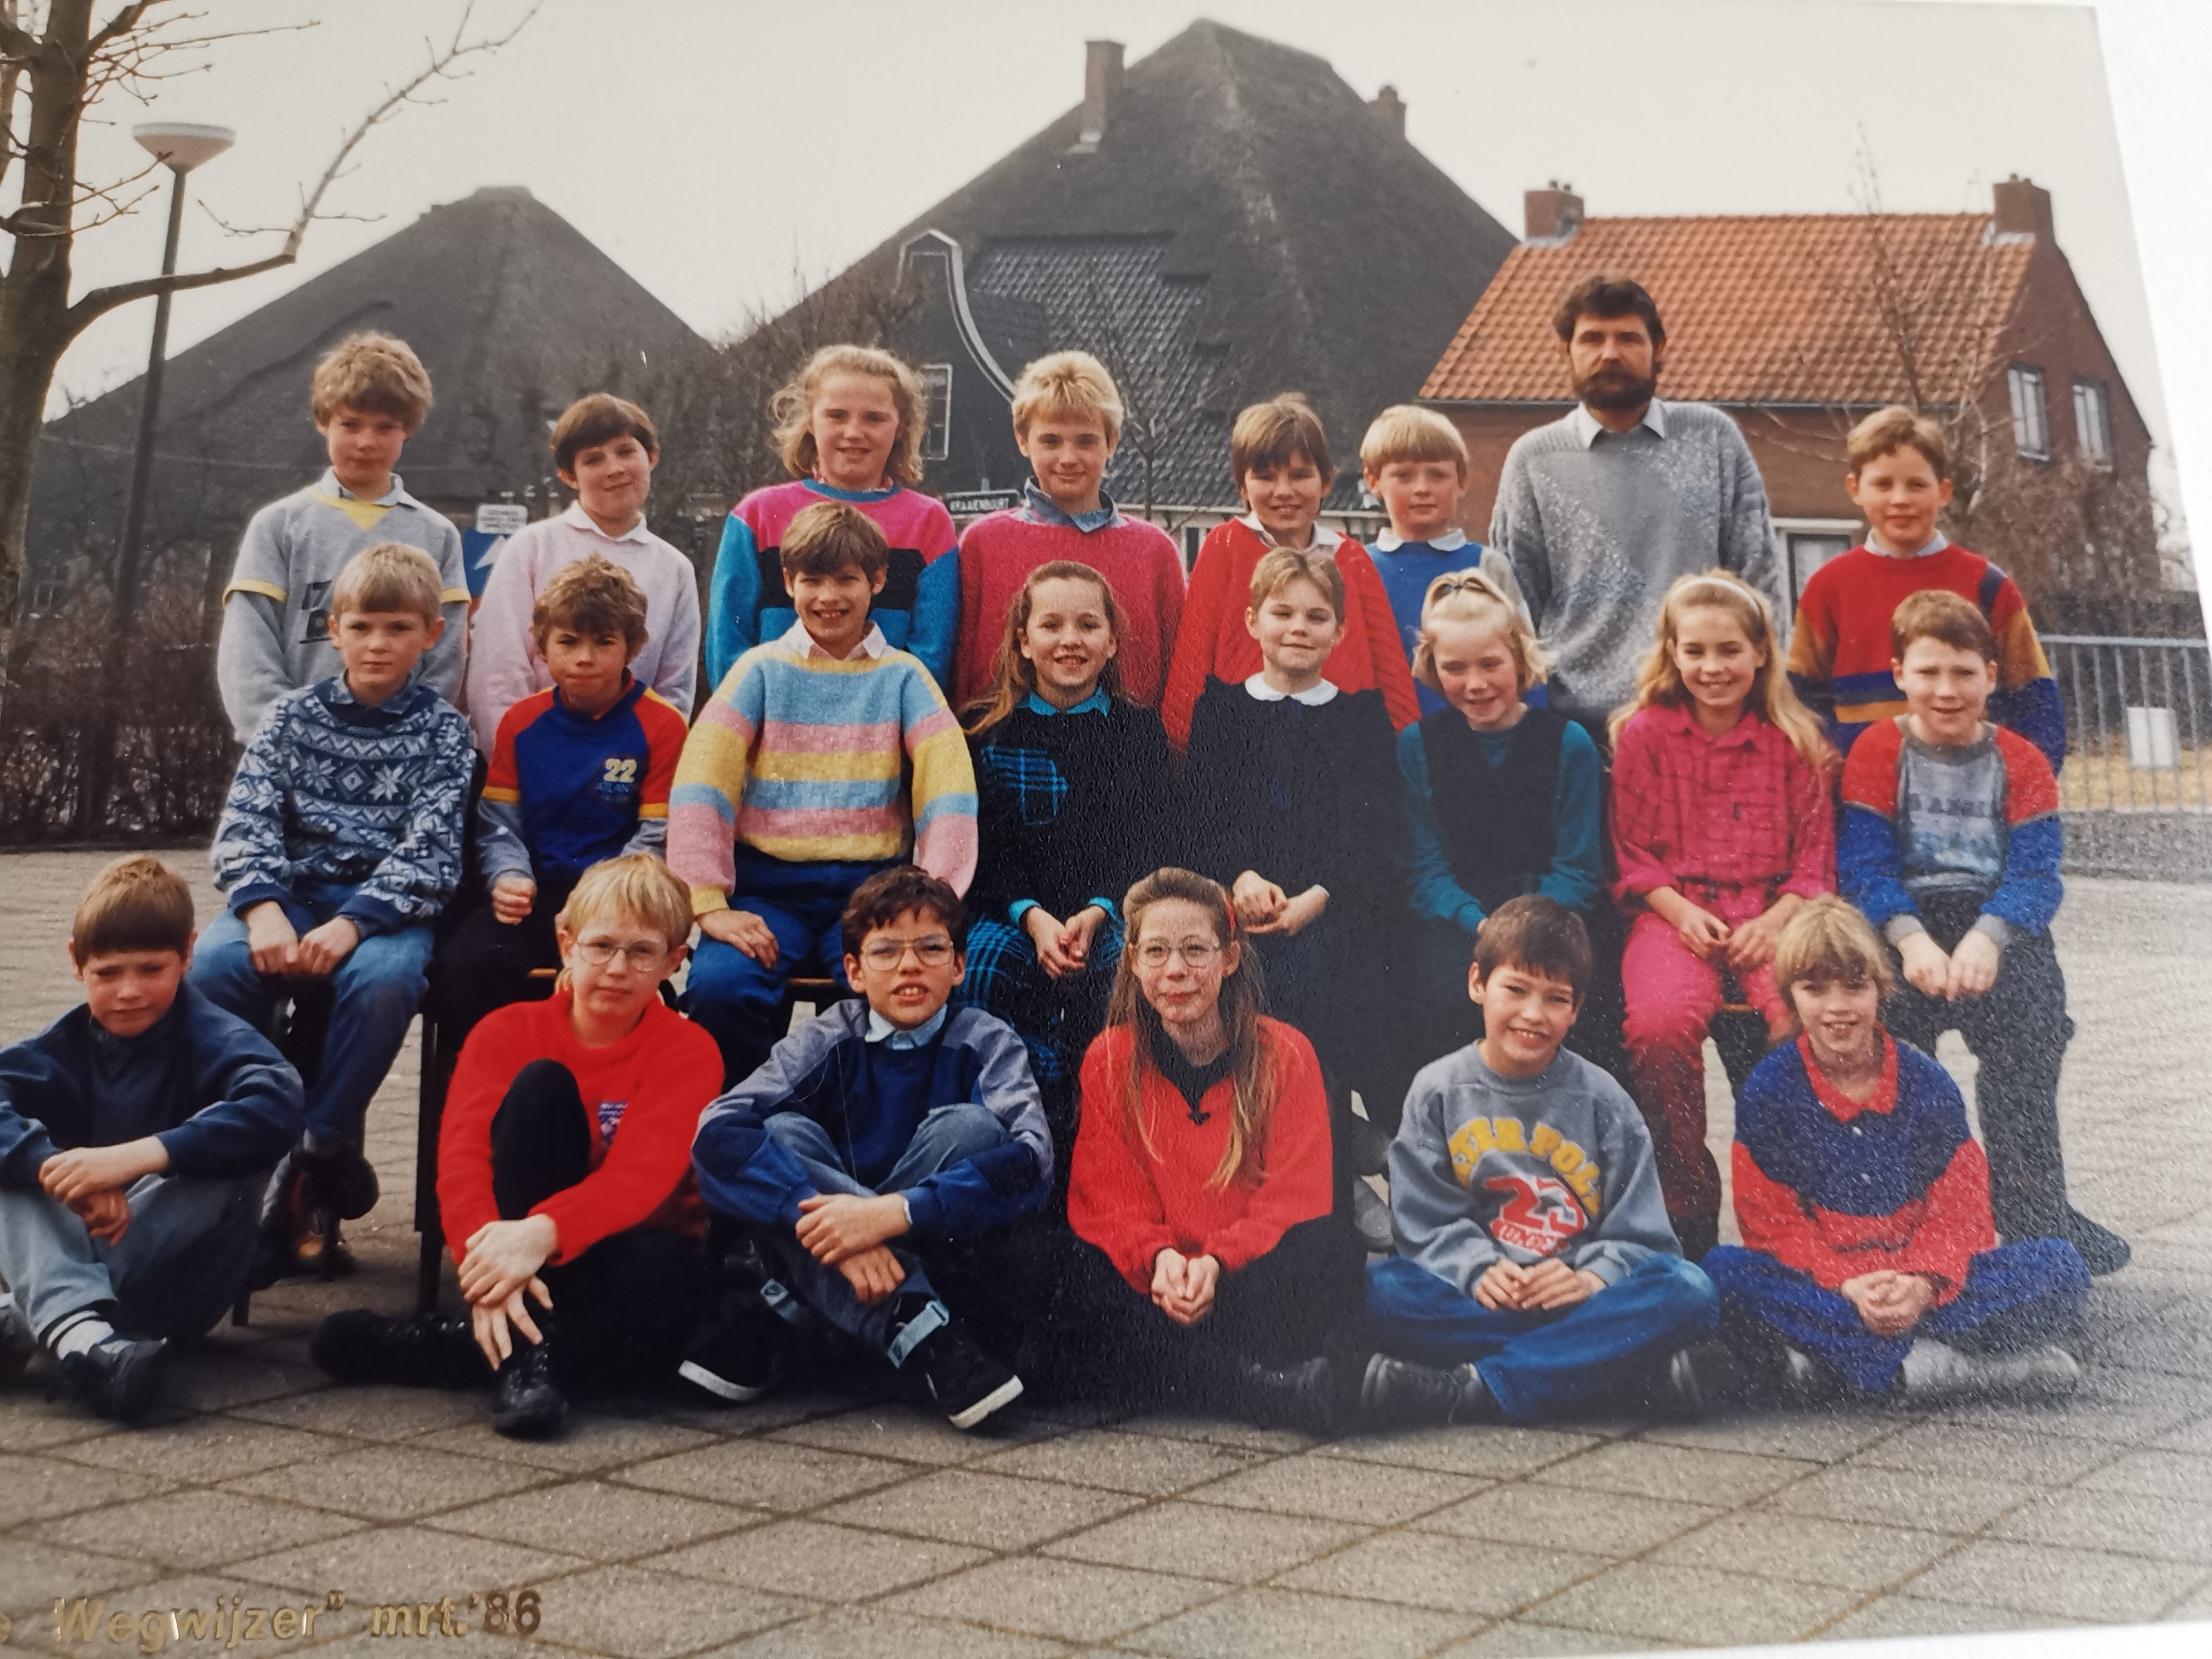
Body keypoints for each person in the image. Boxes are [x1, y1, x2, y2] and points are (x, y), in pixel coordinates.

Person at [310, 857, 723, 1439]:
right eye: (600, 946)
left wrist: (541, 1234)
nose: (616, 968)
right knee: (541, 1086)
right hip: (513, 1244)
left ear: (674, 960)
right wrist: (490, 1268)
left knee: (665, 1287)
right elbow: (461, 1163)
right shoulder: (505, 1032)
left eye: (641, 952)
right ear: (566, 943)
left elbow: (642, 1177)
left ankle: (452, 1346)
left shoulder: (689, 1049)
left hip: (625, 1253)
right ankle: (527, 1363)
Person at [193, 542, 473, 1277]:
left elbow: (433, 849)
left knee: (385, 982)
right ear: (335, 628)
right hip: (290, 897)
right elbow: (247, 822)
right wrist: (262, 911)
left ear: (429, 636)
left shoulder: (445, 733)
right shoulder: (290, 719)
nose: (378, 644)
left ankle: (322, 1141)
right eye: (363, 627)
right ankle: (244, 1130)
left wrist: (357, 922)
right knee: (216, 968)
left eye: (397, 629)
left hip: (379, 911)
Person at [687, 867, 1050, 1430]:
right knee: (782, 1133)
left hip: (939, 1238)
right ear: (853, 971)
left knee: (974, 1130)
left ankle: (792, 1301)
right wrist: (847, 1237)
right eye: (885, 951)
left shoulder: (986, 1041)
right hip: (853, 1235)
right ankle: (919, 1327)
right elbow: (717, 1131)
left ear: (958, 966)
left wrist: (890, 1215)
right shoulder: (828, 1036)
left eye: (931, 948)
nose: (909, 966)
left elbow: (1031, 1159)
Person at [1840, 590, 2128, 1273]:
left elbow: (2037, 874)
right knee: (1895, 1064)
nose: (1946, 691)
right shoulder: (1877, 749)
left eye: (1963, 674)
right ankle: (1915, 1221)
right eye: (1929, 672)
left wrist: (1988, 937)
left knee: (2029, 1044)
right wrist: (1910, 940)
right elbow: (1861, 867)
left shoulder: (2021, 760)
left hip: (1992, 917)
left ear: (1991, 678)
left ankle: (2032, 1216)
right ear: (1898, 674)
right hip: (1902, 918)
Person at [1702, 898, 2089, 1404]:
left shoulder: (1926, 1083)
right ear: (1790, 997)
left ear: (1882, 990)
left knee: (2061, 1267)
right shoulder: (1769, 1089)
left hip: (1921, 1276)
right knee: (1721, 1273)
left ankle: (1833, 1367)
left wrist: (1922, 1284)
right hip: (1831, 1283)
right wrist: (1850, 1285)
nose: (1837, 1007)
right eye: (1815, 989)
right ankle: (1946, 1369)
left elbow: (1963, 1214)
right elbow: (1772, 1227)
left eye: (1854, 986)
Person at [1360, 898, 1719, 1427]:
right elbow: (1423, 1223)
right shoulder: (1437, 1090)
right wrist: (1478, 1270)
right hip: (1484, 1296)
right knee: (1380, 1292)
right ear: (1478, 983)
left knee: (1691, 1290)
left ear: (1575, 1010)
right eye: (1516, 990)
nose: (1534, 1014)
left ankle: (1482, 1386)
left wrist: (1591, 1279)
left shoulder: (1605, 1101)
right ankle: (1599, 1369)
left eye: (1557, 999)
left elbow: (1644, 1237)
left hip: (1576, 1296)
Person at [1047, 867, 1369, 1432]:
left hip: (1241, 1281)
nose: (1175, 970)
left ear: (1230, 959)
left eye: (1195, 950)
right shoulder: (1109, 1057)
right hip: (1153, 1283)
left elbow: (1295, 1199)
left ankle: (1176, 1372)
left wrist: (1216, 1264)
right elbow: (1107, 1202)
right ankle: (1252, 1388)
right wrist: (1162, 1260)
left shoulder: (1285, 1053)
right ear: (1130, 961)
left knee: (1332, 1250)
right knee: (1059, 1268)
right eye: (1156, 951)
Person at [670, 502, 978, 1085]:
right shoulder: (759, 671)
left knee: (902, 995)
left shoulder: (904, 677)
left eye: (846, 579)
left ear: (877, 581)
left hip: (870, 895)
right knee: (717, 989)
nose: (827, 596)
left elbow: (948, 787)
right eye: (811, 580)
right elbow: (702, 784)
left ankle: (865, 1141)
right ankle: (748, 1132)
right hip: (768, 893)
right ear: (788, 582)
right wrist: (708, 904)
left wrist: (937, 893)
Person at [0, 858, 302, 1423]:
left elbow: (279, 1104)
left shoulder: (217, 1039)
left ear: (188, 955)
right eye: (108, 973)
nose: (130, 991)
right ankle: (85, 1343)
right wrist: (55, 1170)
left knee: (231, 1155)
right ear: (76, 962)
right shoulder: (60, 1048)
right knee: (16, 1156)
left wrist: (131, 1160)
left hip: (175, 1292)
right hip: (95, 1265)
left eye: (152, 969)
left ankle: (36, 1320)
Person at [1183, 548, 1407, 1247]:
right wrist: (1237, 881)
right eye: (1282, 613)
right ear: (1253, 620)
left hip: (1327, 909)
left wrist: (1317, 895)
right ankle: (1346, 1158)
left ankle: (1340, 1183)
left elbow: (1370, 830)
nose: (1298, 628)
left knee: (1328, 1000)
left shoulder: (1360, 718)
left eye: (1316, 617)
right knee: (1244, 1005)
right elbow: (1204, 816)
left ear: (1340, 632)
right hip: (1239, 912)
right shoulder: (1220, 709)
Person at [1611, 571, 1835, 1259]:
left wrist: (1776, 921)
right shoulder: (1642, 734)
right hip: (1677, 913)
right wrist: (1677, 912)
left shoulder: (1795, 742)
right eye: (1696, 651)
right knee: (1656, 1027)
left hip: (1774, 913)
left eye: (1729, 650)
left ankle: (1794, 1206)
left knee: (1802, 1023)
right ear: (1672, 654)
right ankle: (1685, 1205)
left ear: (1761, 652)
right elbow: (1630, 853)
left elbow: (1815, 864)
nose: (1713, 668)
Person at [1490, 276, 1784, 738]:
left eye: (1628, 338)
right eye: (1592, 339)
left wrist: (1763, 705)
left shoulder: (1714, 440)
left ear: (1659, 349)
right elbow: (1515, 604)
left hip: (1703, 720)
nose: (1610, 353)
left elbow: (1759, 582)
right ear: (1566, 351)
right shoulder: (1534, 460)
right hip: (1576, 728)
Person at [430, 557, 688, 1046]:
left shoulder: (663, 725)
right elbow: (498, 823)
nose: (585, 658)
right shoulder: (520, 723)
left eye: (604, 642)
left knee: (626, 985)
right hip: (538, 890)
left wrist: (603, 901)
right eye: (569, 642)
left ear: (632, 647)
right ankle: (481, 1099)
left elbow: (654, 837)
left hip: (620, 900)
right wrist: (509, 876)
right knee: (463, 966)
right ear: (543, 649)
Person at [958, 561, 1171, 1107]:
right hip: (1011, 910)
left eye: (1087, 625)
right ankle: (1003, 1124)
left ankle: (1101, 1124)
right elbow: (984, 847)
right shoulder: (983, 729)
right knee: (983, 969)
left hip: (1109, 911)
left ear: (1111, 642)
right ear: (1023, 642)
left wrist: (1099, 909)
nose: (1070, 641)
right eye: (1051, 626)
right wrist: (1030, 916)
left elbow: (1142, 841)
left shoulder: (1138, 732)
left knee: (1123, 978)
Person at [1399, 571, 1608, 1082]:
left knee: (1577, 1007)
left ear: (1518, 656)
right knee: (1441, 999)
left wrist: (1521, 927)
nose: (1476, 683)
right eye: (1455, 668)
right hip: (1460, 919)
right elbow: (1424, 867)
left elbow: (1579, 866)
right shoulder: (1417, 746)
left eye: (1491, 664)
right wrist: (1480, 923)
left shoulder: (1570, 742)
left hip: (1555, 911)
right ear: (1433, 668)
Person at [216, 332, 469, 743]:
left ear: (409, 429)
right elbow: (248, 650)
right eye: (350, 424)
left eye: (385, 427)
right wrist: (285, 734)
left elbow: (444, 658)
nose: (366, 442)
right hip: (291, 751)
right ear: (322, 420)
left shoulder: (437, 535)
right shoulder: (278, 526)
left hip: (397, 752)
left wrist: (404, 734)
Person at [1787, 405, 2066, 773]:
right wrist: (1831, 766)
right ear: (1855, 489)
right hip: (1863, 793)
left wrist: (2032, 780)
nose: (1900, 499)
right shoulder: (1828, 587)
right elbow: (1802, 697)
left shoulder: (1987, 584)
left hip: (1971, 788)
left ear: (1944, 491)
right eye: (1883, 484)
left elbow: (2034, 696)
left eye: (1917, 485)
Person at [1160, 395, 1419, 748]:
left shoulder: (1351, 557)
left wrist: (1408, 755)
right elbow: (1193, 659)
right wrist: (1179, 749)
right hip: (1245, 743)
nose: (1284, 491)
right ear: (1242, 487)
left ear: (1326, 482)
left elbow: (1389, 669)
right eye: (1265, 478)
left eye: (1300, 476)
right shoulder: (1226, 546)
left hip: (1341, 743)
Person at [705, 346, 959, 692]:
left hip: (881, 735)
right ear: (811, 421)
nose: (854, 432)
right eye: (837, 415)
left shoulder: (929, 523)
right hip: (771, 729)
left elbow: (932, 655)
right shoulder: (757, 515)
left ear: (901, 427)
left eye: (874, 418)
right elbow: (728, 643)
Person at [463, 394, 702, 752]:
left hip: (628, 768)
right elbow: (497, 676)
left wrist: (644, 766)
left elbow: (675, 689)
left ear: (651, 457)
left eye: (625, 452)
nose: (614, 468)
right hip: (533, 762)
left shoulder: (674, 568)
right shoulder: (532, 547)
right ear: (569, 476)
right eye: (593, 459)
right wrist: (521, 766)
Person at [953, 352, 1185, 709]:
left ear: (1112, 442)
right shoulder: (983, 543)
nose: (1068, 458)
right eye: (1050, 441)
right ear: (1023, 440)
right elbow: (963, 667)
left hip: (1125, 752)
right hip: (1006, 753)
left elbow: (1178, 673)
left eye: (1086, 441)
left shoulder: (1154, 552)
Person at [1359, 404, 1529, 718]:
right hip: (1386, 738)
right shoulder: (1360, 567)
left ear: (1461, 481)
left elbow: (1526, 660)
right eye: (1404, 476)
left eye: (1437, 475)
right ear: (1374, 482)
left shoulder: (1488, 566)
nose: (1422, 488)